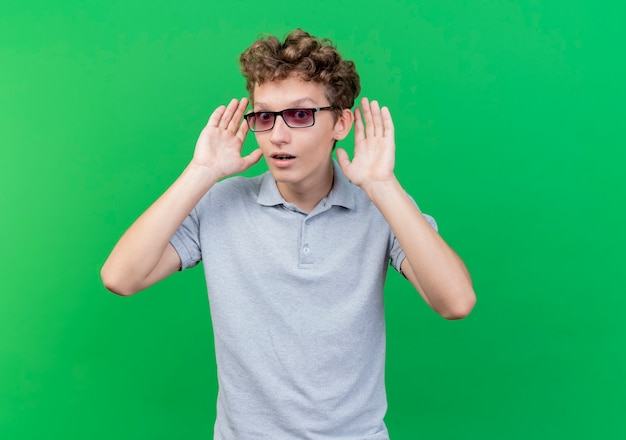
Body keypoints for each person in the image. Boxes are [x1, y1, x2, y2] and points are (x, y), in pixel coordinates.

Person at [101, 28, 475, 440]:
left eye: (300, 115)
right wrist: (201, 173)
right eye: (264, 116)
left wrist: (384, 187)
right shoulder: (221, 203)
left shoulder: (382, 209)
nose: (278, 135)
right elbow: (121, 277)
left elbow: (455, 302)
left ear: (342, 122)